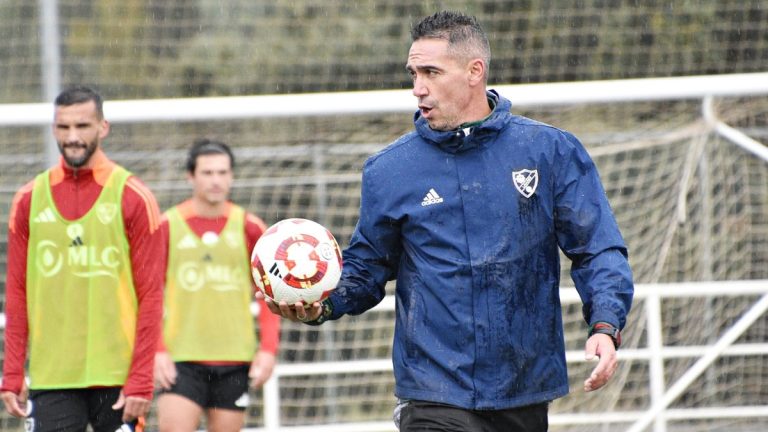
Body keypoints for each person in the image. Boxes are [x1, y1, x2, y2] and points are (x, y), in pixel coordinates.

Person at [260, 10, 634, 432]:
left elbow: (597, 247)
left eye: (431, 72)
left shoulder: (549, 151)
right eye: (413, 73)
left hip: (524, 387)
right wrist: (322, 303)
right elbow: (367, 269)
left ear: (475, 71)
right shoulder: (389, 169)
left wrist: (605, 323)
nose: (418, 88)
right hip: (433, 392)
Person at [1, 86, 164, 430]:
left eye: (83, 126)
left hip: (119, 378)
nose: (72, 137)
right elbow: (17, 292)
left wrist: (141, 378)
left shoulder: (135, 197)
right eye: (63, 128)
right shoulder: (29, 200)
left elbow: (151, 296)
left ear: (103, 127)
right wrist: (12, 370)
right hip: (52, 378)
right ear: (53, 129)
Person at [153, 139, 280, 432]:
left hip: (235, 358)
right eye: (208, 173)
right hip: (181, 358)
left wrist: (268, 349)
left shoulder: (249, 226)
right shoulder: (167, 226)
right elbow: (148, 295)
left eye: (222, 173)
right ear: (191, 176)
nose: (216, 180)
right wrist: (157, 349)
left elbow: (268, 295)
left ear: (232, 176)